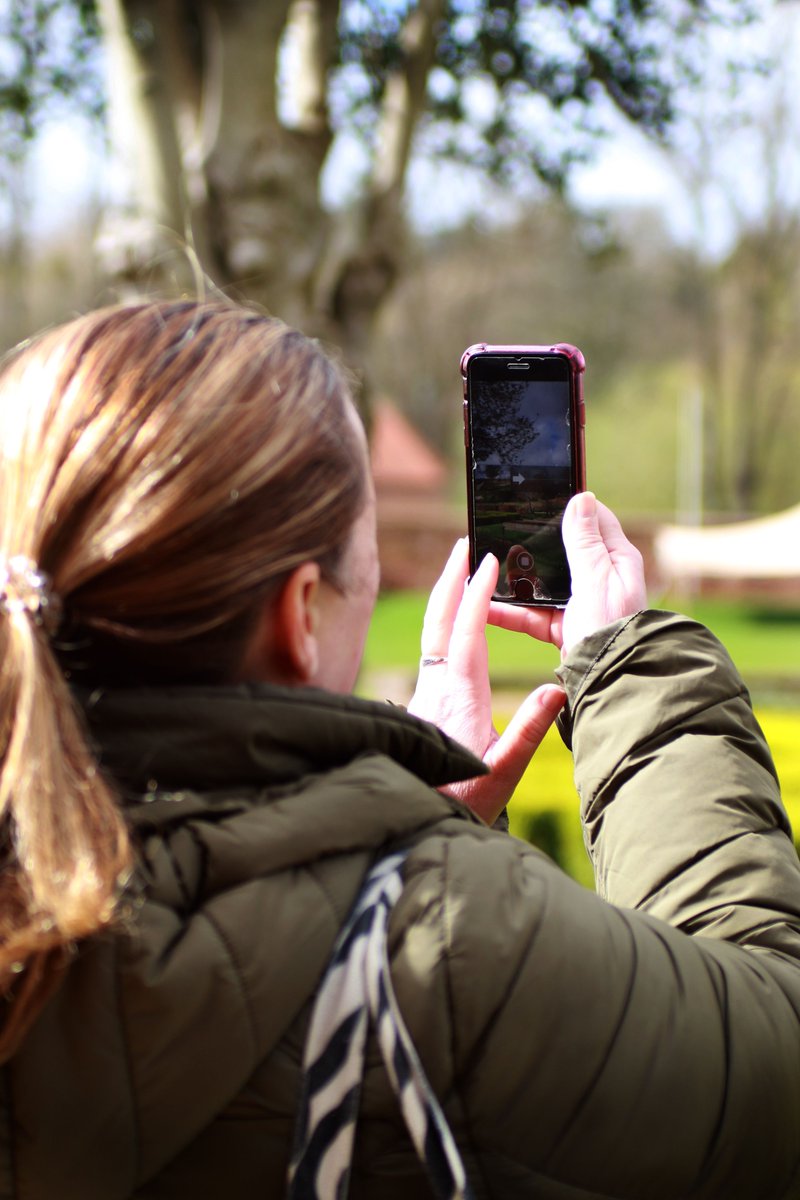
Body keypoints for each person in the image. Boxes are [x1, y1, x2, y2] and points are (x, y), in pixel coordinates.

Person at [0, 299, 797, 1200]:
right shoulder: (451, 943)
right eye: (365, 536)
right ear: (301, 616)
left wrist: (415, 811)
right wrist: (634, 673)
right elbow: (774, 1074)